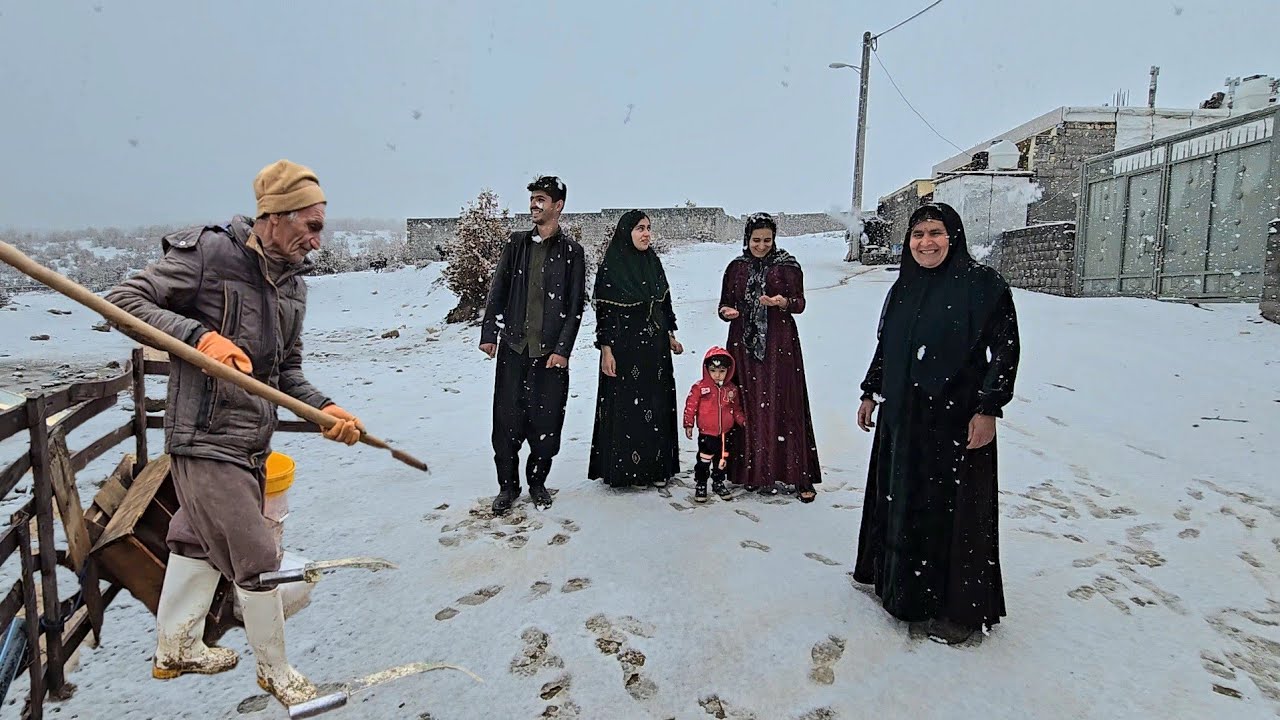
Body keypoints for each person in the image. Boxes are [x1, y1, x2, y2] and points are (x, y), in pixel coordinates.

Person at [105, 159, 364, 706]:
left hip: (252, 440)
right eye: (311, 226)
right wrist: (198, 337)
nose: (319, 240)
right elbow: (124, 303)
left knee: (194, 537)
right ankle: (277, 673)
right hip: (202, 437)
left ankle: (175, 647)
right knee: (257, 557)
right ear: (274, 215)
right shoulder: (209, 254)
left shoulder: (292, 286)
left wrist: (327, 410)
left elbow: (285, 373)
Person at [851, 202, 1020, 646]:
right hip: (904, 417)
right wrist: (870, 391)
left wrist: (988, 408)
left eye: (936, 233)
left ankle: (956, 611)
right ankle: (902, 589)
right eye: (918, 234)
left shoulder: (983, 286)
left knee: (952, 510)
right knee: (903, 498)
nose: (926, 242)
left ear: (954, 237)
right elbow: (887, 345)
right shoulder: (904, 288)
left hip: (955, 421)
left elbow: (1004, 351)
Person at [479, 176, 587, 514]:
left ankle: (537, 482)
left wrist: (562, 350)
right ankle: (507, 487)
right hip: (514, 349)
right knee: (506, 422)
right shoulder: (517, 245)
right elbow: (498, 290)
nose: (534, 205)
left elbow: (574, 307)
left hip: (550, 356)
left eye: (541, 199)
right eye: (532, 199)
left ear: (558, 205)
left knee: (547, 423)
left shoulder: (573, 253)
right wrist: (489, 332)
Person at [717, 212, 821, 502]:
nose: (761, 245)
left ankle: (794, 474)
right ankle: (749, 472)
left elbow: (799, 303)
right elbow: (724, 303)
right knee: (746, 404)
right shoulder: (735, 268)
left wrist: (782, 302)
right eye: (755, 240)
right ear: (746, 239)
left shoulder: (787, 266)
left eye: (767, 240)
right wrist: (727, 312)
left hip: (779, 345)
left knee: (783, 402)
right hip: (743, 344)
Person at [588, 210, 684, 488]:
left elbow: (663, 304)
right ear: (625, 232)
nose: (646, 234)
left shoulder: (652, 262)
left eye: (648, 228)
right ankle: (630, 471)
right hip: (624, 348)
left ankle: (656, 468)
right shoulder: (612, 267)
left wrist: (670, 335)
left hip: (654, 348)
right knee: (628, 409)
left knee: (656, 405)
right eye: (639, 228)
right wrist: (606, 349)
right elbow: (604, 313)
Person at [682, 347, 746, 503]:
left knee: (721, 461)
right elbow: (691, 406)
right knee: (704, 460)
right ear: (707, 370)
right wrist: (688, 423)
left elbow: (735, 408)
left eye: (722, 371)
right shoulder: (700, 388)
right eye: (713, 370)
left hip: (725, 433)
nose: (717, 375)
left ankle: (718, 482)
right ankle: (701, 484)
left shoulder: (731, 389)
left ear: (728, 371)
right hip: (707, 434)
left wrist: (742, 420)